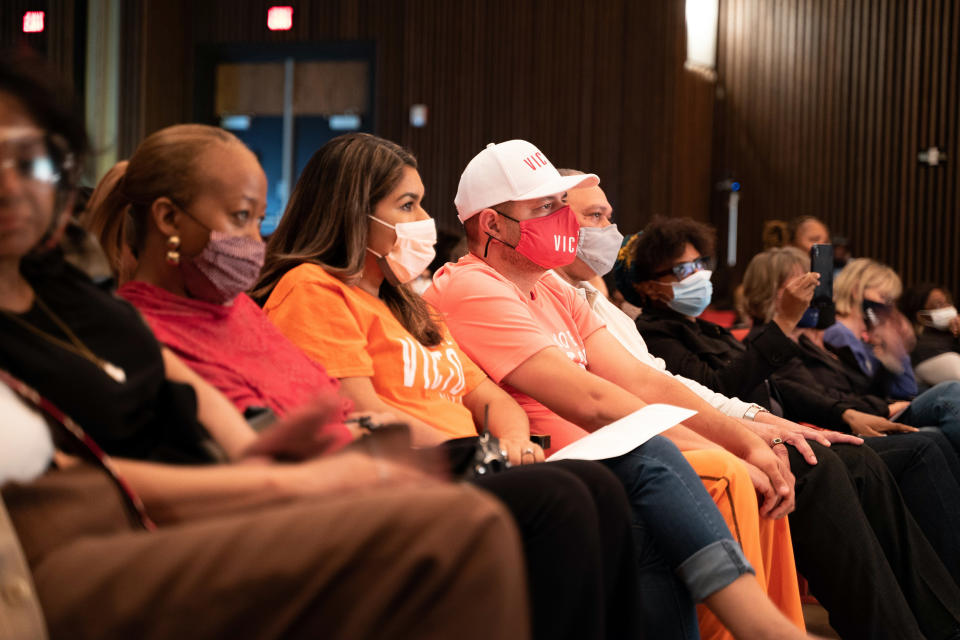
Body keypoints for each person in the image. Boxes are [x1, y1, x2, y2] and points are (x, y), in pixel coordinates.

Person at [0, 53, 531, 640]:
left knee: (503, 511)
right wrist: (289, 481)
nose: (12, 183)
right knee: (467, 524)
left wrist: (297, 453)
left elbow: (227, 425)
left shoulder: (85, 306)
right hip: (74, 546)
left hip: (196, 508)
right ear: (169, 220)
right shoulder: (298, 290)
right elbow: (82, 476)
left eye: (32, 161)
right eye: (239, 218)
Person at [82, 126, 639, 640]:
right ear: (167, 221)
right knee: (564, 496)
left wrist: (500, 445)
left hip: (379, 471)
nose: (256, 239)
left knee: (601, 488)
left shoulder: (248, 314)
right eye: (240, 218)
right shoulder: (180, 319)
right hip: (331, 493)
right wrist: (457, 455)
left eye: (259, 219)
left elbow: (367, 410)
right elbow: (310, 426)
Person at [255, 133, 815, 640]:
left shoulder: (408, 303)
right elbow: (364, 413)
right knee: (652, 467)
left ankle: (763, 624)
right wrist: (482, 451)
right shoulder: (322, 290)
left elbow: (495, 397)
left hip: (492, 457)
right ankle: (763, 627)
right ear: (352, 211)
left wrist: (507, 439)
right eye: (408, 205)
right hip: (433, 469)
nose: (425, 219)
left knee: (647, 483)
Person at [613, 223, 960, 638]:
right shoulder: (656, 334)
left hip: (789, 424)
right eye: (684, 270)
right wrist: (785, 323)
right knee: (887, 443)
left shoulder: (709, 329)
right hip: (728, 439)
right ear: (651, 287)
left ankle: (943, 620)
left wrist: (843, 413)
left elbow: (782, 390)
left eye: (702, 263)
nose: (701, 275)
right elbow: (718, 390)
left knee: (902, 447)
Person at [740, 246, 960, 579]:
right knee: (947, 398)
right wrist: (881, 404)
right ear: (775, 290)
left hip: (861, 415)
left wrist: (892, 354)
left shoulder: (807, 341)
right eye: (800, 282)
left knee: (936, 433)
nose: (813, 289)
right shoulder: (768, 344)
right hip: (835, 429)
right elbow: (816, 398)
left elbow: (854, 388)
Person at [826, 258, 960, 453]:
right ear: (856, 291)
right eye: (884, 297)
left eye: (891, 301)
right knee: (950, 391)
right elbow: (859, 391)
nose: (888, 307)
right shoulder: (837, 332)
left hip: (889, 408)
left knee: (937, 433)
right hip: (870, 415)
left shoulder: (868, 333)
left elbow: (907, 389)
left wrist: (898, 353)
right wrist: (890, 357)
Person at [899, 282, 960, 387]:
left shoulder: (952, 337)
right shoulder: (920, 346)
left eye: (948, 302)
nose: (948, 308)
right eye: (939, 304)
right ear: (922, 317)